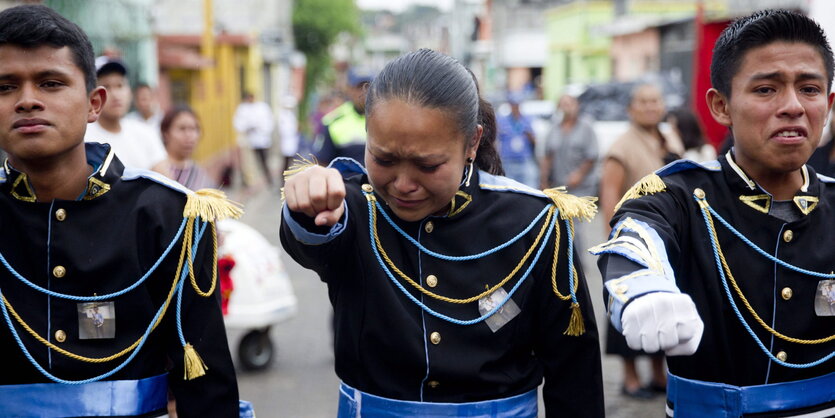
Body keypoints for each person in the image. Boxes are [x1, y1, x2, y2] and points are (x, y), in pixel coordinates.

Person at [280, 48, 603, 417]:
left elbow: (574, 371)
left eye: (427, 165)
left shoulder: (534, 222)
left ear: (472, 143)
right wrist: (308, 207)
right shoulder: (354, 209)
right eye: (383, 159)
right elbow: (309, 241)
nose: (402, 184)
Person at [591, 9, 835, 416]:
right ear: (721, 106)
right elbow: (635, 239)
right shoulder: (679, 195)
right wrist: (642, 290)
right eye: (766, 90)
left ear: (827, 104)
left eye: (809, 89)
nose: (793, 106)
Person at [0, 5, 241, 417]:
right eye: (5, 86)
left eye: (50, 83)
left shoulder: (167, 215)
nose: (27, 101)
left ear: (94, 103)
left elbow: (205, 384)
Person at [597, 82, 681, 399]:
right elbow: (609, 195)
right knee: (629, 306)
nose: (649, 106)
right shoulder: (621, 146)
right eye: (643, 102)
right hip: (633, 240)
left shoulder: (667, 136)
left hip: (669, 239)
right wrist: (616, 244)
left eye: (655, 100)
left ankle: (659, 374)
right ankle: (630, 378)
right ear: (631, 109)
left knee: (663, 306)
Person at [83, 56, 167, 170]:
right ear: (93, 96)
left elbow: (165, 181)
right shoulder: (82, 138)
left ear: (130, 92)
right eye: (106, 87)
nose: (115, 94)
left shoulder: (146, 134)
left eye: (120, 85)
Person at [314, 68, 373, 165]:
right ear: (349, 89)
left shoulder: (386, 120)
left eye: (368, 86)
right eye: (359, 87)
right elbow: (322, 163)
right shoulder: (333, 121)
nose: (364, 92)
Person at [153, 106, 217, 190]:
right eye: (182, 129)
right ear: (166, 134)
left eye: (193, 129)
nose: (189, 135)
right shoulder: (157, 172)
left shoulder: (200, 174)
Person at [233, 91, 275, 186]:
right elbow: (238, 123)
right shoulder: (242, 109)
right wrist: (248, 127)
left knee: (263, 161)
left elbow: (268, 121)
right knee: (248, 163)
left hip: (262, 140)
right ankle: (250, 182)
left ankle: (268, 179)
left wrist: (260, 128)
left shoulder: (262, 107)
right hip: (249, 141)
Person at [496, 96, 538, 188]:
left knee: (529, 187)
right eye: (513, 105)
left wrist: (528, 134)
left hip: (524, 160)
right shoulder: (502, 120)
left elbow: (535, 141)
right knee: (509, 188)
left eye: (517, 105)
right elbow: (497, 140)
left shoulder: (527, 119)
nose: (515, 107)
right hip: (508, 161)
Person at [278, 95, 301, 176]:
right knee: (286, 162)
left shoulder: (290, 115)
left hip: (291, 141)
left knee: (290, 161)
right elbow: (285, 130)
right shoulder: (283, 116)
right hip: (287, 142)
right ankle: (283, 178)